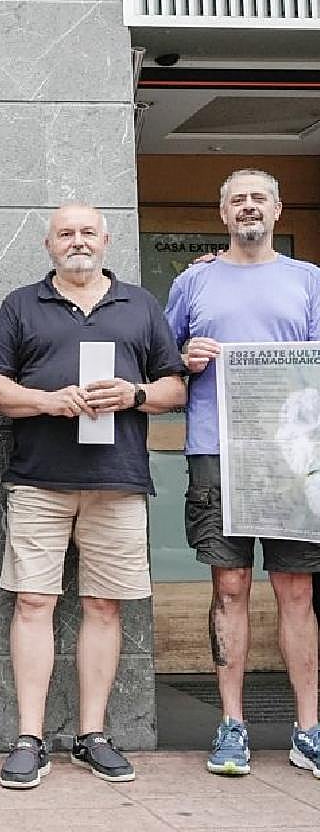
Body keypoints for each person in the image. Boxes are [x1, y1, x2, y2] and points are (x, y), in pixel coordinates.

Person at [0, 203, 186, 788]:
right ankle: (29, 737)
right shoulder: (22, 304)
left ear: (106, 240)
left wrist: (135, 394)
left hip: (117, 480)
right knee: (33, 604)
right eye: (65, 233)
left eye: (87, 233)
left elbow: (175, 386)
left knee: (104, 605)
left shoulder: (141, 305)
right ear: (48, 244)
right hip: (38, 479)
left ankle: (92, 734)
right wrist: (47, 402)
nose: (77, 241)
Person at [164, 168, 320, 777]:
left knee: (296, 590)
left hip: (290, 454)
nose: (248, 206)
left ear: (278, 211)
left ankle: (309, 728)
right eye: (237, 199)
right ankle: (233, 726)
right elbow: (163, 370)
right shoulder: (192, 281)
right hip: (216, 452)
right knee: (228, 588)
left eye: (258, 197)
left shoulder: (308, 281)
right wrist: (184, 358)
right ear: (222, 212)